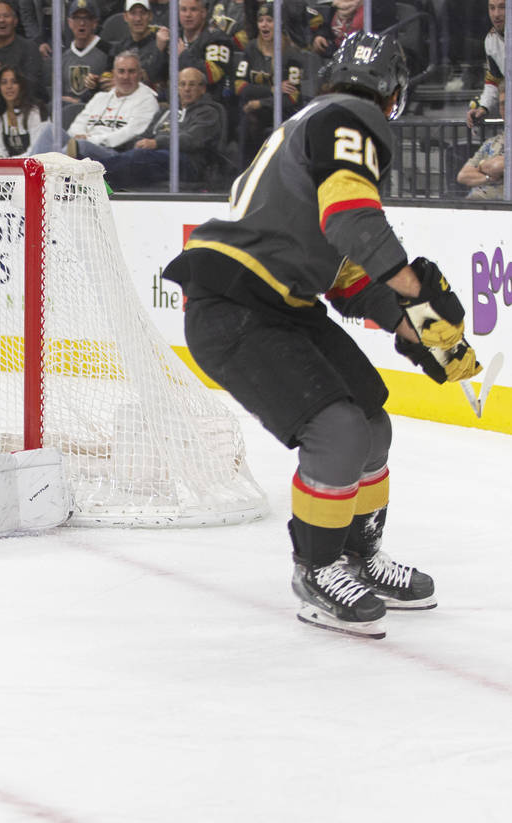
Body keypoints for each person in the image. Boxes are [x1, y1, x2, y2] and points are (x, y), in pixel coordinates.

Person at [162, 32, 482, 639]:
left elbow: (347, 272)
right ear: (392, 97)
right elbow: (353, 218)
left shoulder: (313, 120)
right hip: (238, 305)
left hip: (271, 301)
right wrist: (415, 293)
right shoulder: (353, 118)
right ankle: (317, 569)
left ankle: (358, 557)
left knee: (371, 421)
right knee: (336, 428)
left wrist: (414, 326)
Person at [100, 65, 222, 188]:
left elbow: (191, 140)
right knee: (123, 157)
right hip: (154, 157)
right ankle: (94, 178)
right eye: (182, 84)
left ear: (203, 89)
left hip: (187, 163)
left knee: (137, 158)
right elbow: (145, 134)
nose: (186, 89)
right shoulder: (165, 111)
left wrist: (156, 143)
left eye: (192, 85)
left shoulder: (209, 112)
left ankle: (93, 176)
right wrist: (138, 143)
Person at [29, 50, 158, 160]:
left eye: (131, 72)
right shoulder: (101, 97)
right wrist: (78, 136)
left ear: (140, 74)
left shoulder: (147, 100)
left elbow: (129, 134)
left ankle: (47, 174)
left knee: (81, 146)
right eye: (121, 71)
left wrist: (90, 139)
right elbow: (78, 124)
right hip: (81, 145)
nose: (126, 76)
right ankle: (29, 175)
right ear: (114, 73)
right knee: (51, 130)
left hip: (115, 153)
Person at [234, 1, 304, 164]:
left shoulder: (291, 55)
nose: (264, 25)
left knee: (251, 119)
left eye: (269, 20)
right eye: (261, 20)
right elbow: (240, 87)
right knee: (247, 121)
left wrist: (260, 102)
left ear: (279, 23)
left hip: (284, 113)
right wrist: (273, 90)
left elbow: (291, 99)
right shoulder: (251, 49)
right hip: (253, 109)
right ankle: (244, 172)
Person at [0, 0, 47, 102]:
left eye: (6, 16)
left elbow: (36, 88)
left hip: (27, 107)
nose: (1, 20)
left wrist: (3, 73)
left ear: (15, 21)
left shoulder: (29, 48)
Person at [61, 0, 113, 104]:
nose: (82, 23)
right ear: (70, 22)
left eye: (87, 18)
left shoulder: (109, 51)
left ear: (94, 23)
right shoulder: (63, 56)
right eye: (77, 18)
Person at [0, 64, 48, 156]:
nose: (9, 86)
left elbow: (35, 151)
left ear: (21, 85)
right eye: (4, 82)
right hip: (8, 168)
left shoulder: (34, 112)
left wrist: (10, 163)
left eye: (14, 82)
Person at [457, 89, 506, 199]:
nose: (506, 108)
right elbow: (463, 176)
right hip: (475, 205)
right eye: (503, 104)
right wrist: (489, 177)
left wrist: (482, 166)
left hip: (503, 210)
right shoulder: (491, 142)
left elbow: (498, 165)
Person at [114, 0, 169, 92]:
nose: (138, 18)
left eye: (143, 13)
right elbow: (107, 77)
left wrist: (158, 50)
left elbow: (153, 77)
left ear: (150, 16)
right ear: (125, 17)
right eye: (133, 13)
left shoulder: (161, 42)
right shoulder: (120, 47)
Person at [467, 0, 506, 129]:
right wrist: (483, 107)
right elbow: (494, 80)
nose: (496, 14)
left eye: (502, 7)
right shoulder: (490, 40)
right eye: (492, 8)